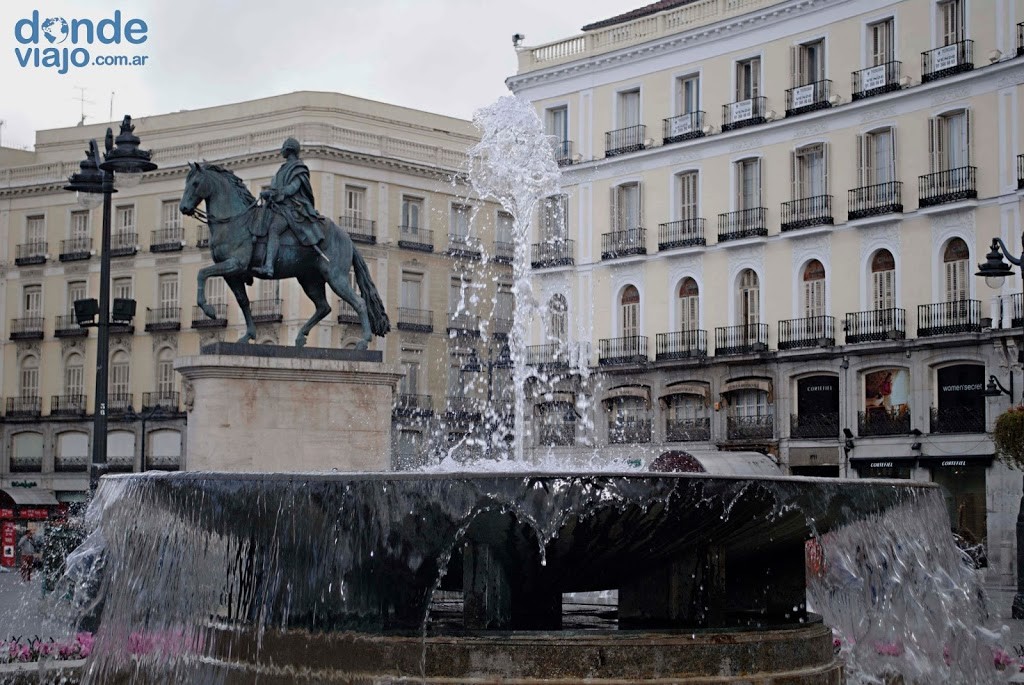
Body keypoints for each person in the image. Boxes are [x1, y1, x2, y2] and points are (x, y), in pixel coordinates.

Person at [254, 137, 326, 277]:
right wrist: (269, 193)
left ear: (289, 150)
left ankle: (269, 265)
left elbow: (292, 189)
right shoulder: (283, 168)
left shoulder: (299, 168)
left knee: (274, 229)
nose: (281, 151)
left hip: (292, 209)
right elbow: (277, 187)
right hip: (277, 207)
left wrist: (275, 194)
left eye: (283, 148)